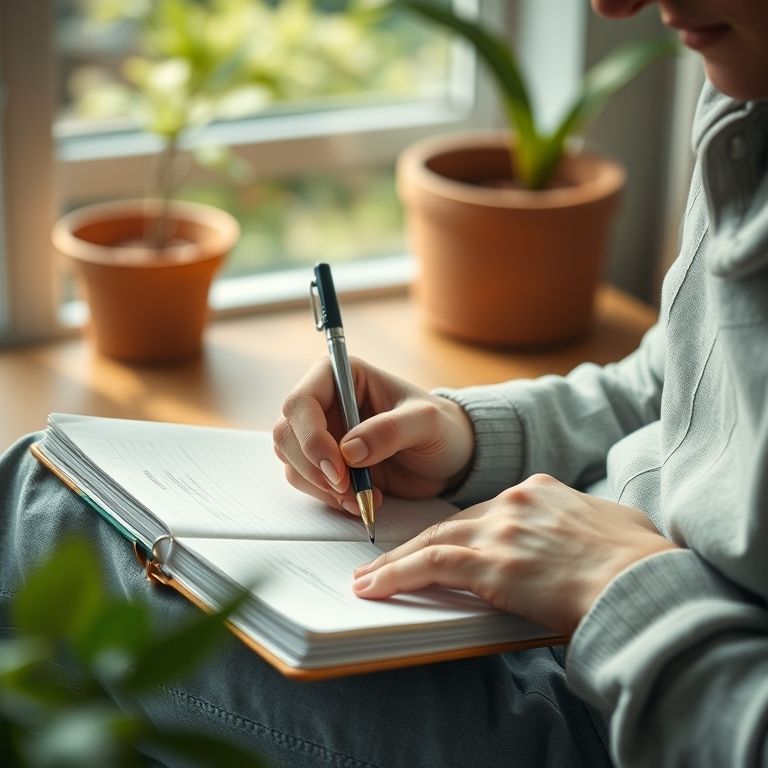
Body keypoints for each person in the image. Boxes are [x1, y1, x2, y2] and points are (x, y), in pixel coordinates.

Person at [2, 0, 767, 765]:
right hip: (546, 604)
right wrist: (465, 439)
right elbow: (675, 386)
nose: (617, 6)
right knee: (64, 478)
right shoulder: (748, 85)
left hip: (620, 713)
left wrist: (622, 588)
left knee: (33, 506)